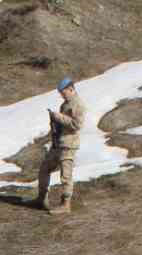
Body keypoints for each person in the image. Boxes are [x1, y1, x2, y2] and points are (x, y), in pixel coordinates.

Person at [32, 76, 87, 215]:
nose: (62, 95)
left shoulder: (78, 104)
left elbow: (76, 125)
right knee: (44, 169)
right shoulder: (66, 104)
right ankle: (41, 198)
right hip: (58, 144)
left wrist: (58, 117)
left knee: (65, 176)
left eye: (63, 92)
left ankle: (65, 204)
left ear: (71, 89)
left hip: (69, 145)